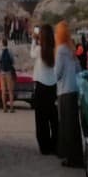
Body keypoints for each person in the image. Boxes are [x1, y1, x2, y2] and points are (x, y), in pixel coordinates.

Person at [54, 21, 82, 167]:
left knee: (66, 125)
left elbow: (57, 73)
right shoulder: (71, 49)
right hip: (74, 89)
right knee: (73, 125)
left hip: (64, 90)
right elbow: (79, 69)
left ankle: (70, 157)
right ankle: (76, 155)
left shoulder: (60, 50)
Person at [31, 23, 58, 155]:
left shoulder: (38, 49)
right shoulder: (55, 50)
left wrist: (33, 40)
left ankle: (44, 146)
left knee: (41, 119)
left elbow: (31, 54)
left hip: (41, 87)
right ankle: (55, 143)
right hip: (52, 86)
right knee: (52, 118)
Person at [0, 37, 15, 113]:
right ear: (7, 43)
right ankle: (11, 107)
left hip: (2, 73)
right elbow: (13, 61)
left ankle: (4, 108)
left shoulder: (0, 52)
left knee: (3, 91)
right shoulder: (10, 51)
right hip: (9, 73)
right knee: (10, 91)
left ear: (2, 43)